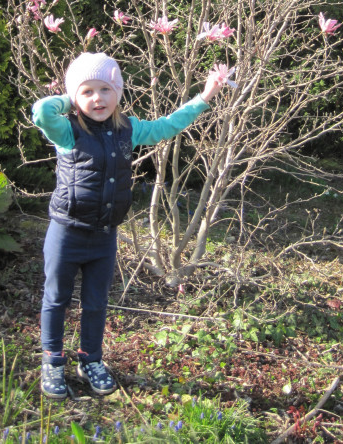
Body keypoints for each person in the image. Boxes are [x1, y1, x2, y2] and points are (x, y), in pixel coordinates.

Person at [32, 51, 224, 399]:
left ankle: (90, 359)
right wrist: (69, 95)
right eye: (87, 92)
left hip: (104, 236)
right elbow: (42, 112)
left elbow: (168, 125)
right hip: (67, 232)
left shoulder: (128, 129)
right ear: (75, 97)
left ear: (118, 93)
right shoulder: (67, 131)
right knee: (56, 298)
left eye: (105, 90)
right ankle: (52, 361)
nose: (97, 99)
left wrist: (205, 96)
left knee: (95, 302)